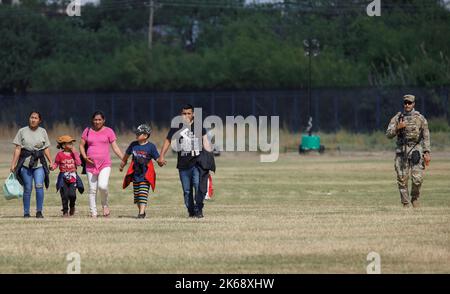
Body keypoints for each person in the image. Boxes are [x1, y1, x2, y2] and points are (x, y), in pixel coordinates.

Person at [158, 104, 211, 218]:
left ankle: (199, 209)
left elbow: (205, 141)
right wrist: (161, 156)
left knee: (198, 186)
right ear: (181, 114)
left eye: (189, 113)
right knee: (187, 191)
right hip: (183, 165)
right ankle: (191, 211)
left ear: (193, 114)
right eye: (184, 113)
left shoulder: (198, 126)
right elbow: (168, 140)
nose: (186, 115)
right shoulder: (177, 126)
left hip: (197, 163)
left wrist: (208, 160)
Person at [386, 94, 431, 208]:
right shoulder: (397, 118)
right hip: (401, 151)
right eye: (405, 103)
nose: (407, 105)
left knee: (417, 179)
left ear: (413, 104)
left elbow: (426, 136)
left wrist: (427, 152)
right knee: (402, 179)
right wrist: (397, 128)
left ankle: (415, 198)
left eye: (409, 103)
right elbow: (388, 134)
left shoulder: (420, 118)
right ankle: (405, 203)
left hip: (415, 149)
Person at [79, 111, 124, 218]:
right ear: (92, 120)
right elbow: (81, 145)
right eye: (95, 119)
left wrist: (124, 158)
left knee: (102, 186)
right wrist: (85, 157)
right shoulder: (87, 131)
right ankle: (93, 212)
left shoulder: (109, 131)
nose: (97, 122)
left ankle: (105, 205)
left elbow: (115, 147)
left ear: (103, 120)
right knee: (92, 189)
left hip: (105, 164)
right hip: (90, 165)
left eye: (99, 120)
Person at [10, 111, 53, 218]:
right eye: (31, 117)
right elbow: (18, 148)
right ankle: (26, 213)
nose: (33, 119)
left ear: (39, 120)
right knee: (28, 188)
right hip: (25, 164)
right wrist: (13, 164)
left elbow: (46, 148)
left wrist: (51, 161)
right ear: (29, 118)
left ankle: (39, 211)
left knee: (39, 186)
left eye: (35, 118)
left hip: (39, 165)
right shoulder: (22, 131)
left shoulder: (43, 131)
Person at [120, 124, 163, 219]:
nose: (136, 134)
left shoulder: (151, 147)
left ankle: (141, 213)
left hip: (146, 175)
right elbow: (126, 156)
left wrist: (161, 162)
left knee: (143, 193)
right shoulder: (133, 145)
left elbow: (157, 159)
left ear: (145, 135)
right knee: (137, 197)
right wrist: (122, 165)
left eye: (139, 133)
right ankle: (142, 211)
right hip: (135, 175)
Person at [50, 135, 84, 217]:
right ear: (64, 145)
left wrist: (75, 153)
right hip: (63, 177)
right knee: (64, 195)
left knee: (72, 195)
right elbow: (56, 164)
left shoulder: (74, 154)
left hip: (73, 177)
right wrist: (52, 167)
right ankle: (65, 211)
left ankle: (72, 206)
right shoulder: (59, 155)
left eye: (72, 142)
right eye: (69, 143)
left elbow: (79, 163)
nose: (72, 144)